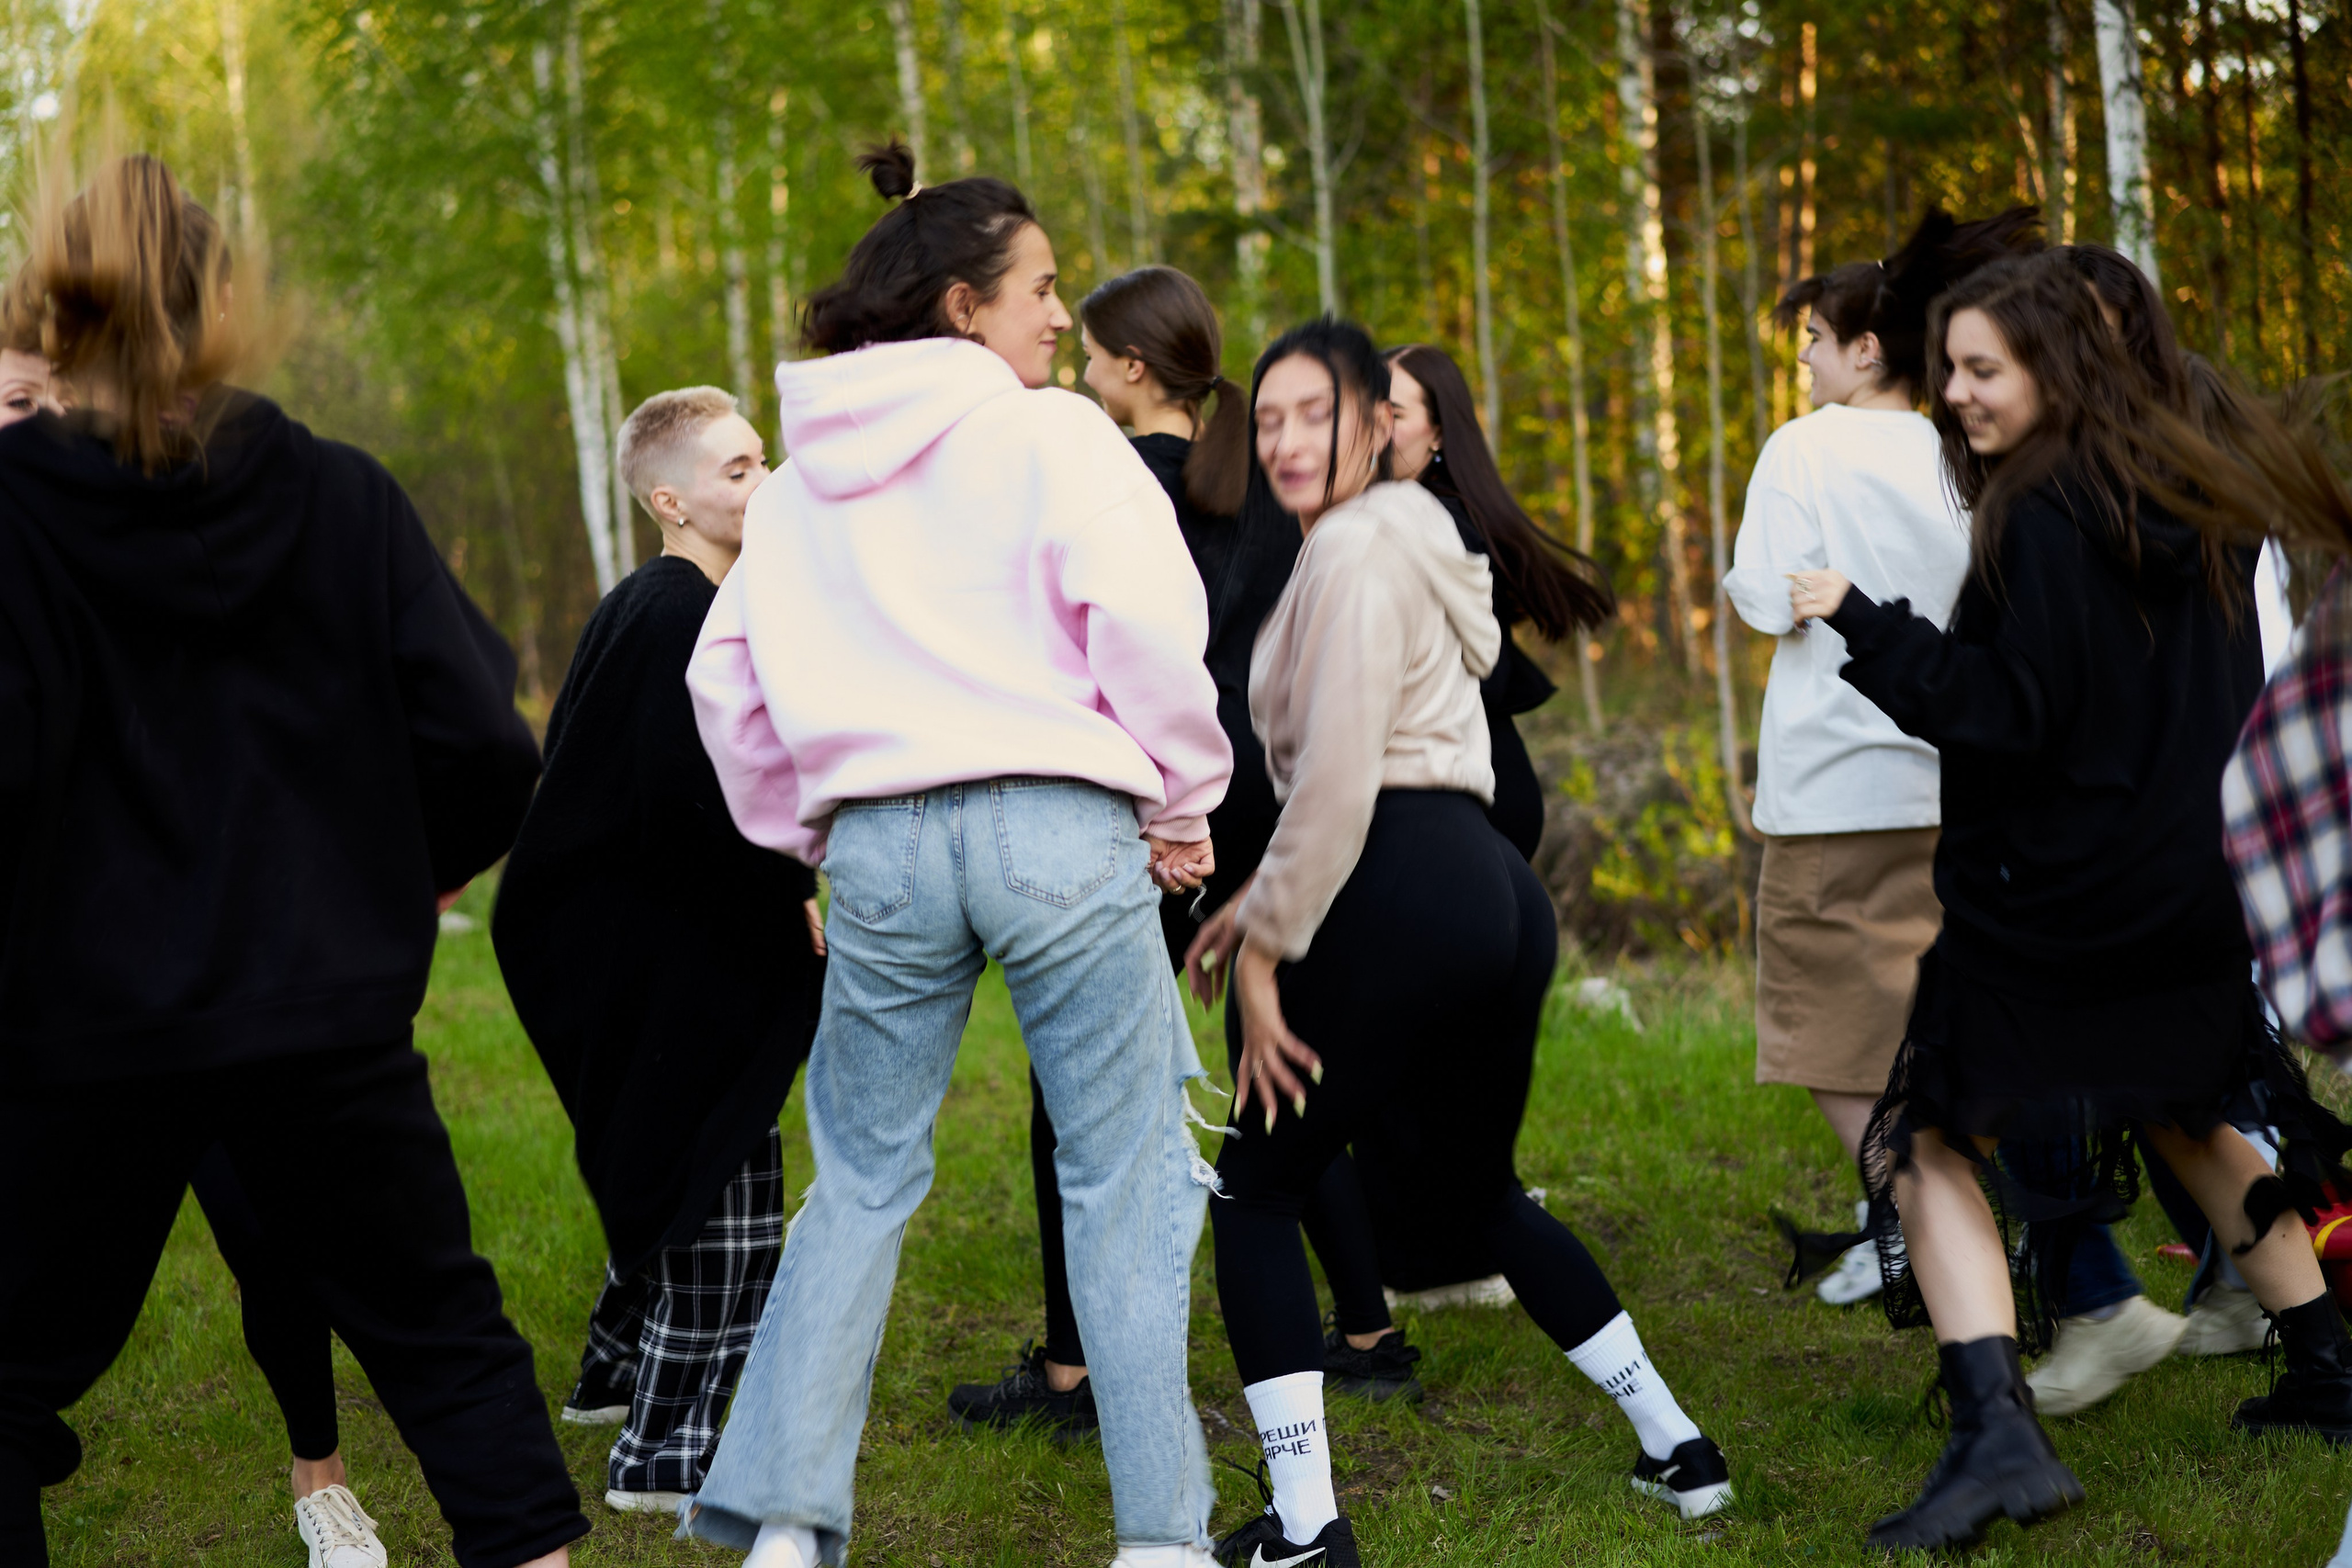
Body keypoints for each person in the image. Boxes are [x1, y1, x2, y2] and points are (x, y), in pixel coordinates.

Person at [0, 154, 584, 1567]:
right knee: (449, 1348)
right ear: (215, 312)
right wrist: (385, 890)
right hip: (324, 1017)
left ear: (57, 322)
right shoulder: (341, 492)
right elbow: (491, 748)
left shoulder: (14, 509)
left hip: (86, 1031)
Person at [678, 142, 1231, 1568]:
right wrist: (1185, 796)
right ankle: (1162, 1534)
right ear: (960, 307)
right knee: (1124, 1171)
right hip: (1057, 821)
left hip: (880, 844)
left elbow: (722, 682)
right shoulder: (1054, 437)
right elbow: (1150, 619)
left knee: (859, 1176)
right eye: (1041, 288)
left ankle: (790, 1527)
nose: (1060, 318)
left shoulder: (794, 490)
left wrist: (810, 826)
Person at [1787, 248, 2352, 1552]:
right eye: (1953, 369)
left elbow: (2003, 717)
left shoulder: (2042, 512)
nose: (1959, 396)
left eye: (1984, 370)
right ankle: (2328, 1357)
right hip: (2190, 888)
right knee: (2186, 1109)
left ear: (2060, 367)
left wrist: (1867, 624)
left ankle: (1995, 1433)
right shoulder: (2209, 495)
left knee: (1930, 1136)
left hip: (2051, 902)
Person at [1185, 320, 1731, 1568]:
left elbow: (1336, 776)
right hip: (1489, 892)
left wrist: (1266, 942)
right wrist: (1264, 898)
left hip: (1387, 874)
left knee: (1260, 1191)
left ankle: (1306, 1526)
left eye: (1313, 413)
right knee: (1475, 1191)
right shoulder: (1419, 541)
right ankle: (1678, 1445)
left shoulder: (1358, 553)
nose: (1282, 440)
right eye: (1265, 417)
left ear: (1380, 422)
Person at [492, 387, 827, 1514]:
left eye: (762, 459)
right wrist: (793, 892)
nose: (764, 482)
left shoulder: (683, 600)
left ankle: (611, 1374)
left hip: (656, 941)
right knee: (728, 1200)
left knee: (671, 1161)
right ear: (668, 499)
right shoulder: (672, 613)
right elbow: (693, 803)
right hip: (660, 957)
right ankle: (660, 1457)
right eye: (736, 471)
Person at [946, 264, 1257, 1440]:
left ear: (1134, 367)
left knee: (1069, 1093)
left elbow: (1096, 658)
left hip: (1146, 817)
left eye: (1092, 352)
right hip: (1241, 810)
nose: (1075, 362)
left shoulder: (1107, 482)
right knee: (1254, 1051)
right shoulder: (1249, 491)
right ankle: (1365, 1328)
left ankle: (1081, 1374)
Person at [1722, 209, 2038, 1311]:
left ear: (1866, 348)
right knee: (1935, 1028)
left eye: (1811, 337)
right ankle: (1948, 1225)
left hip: (1833, 789)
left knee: (1831, 1046)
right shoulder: (1966, 448)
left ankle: (1929, 1221)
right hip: (1954, 777)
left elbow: (1766, 596)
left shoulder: (1803, 447)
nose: (1802, 358)